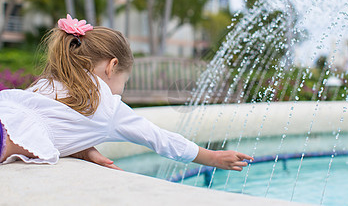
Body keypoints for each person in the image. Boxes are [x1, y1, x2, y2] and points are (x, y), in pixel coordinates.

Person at [0, 14, 253, 171]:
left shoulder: (47, 83)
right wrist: (213, 157)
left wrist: (81, 147)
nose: (121, 90)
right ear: (112, 67)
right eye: (124, 81)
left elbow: (54, 125)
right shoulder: (107, 105)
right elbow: (160, 139)